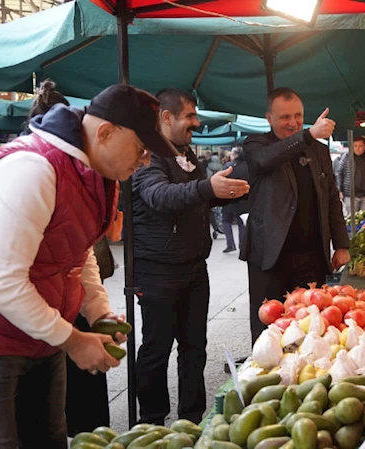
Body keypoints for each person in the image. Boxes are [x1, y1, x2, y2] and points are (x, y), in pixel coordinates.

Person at [0, 84, 172, 447]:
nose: (145, 161)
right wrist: (72, 339)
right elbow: (0, 281)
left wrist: (97, 311)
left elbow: (78, 250)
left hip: (42, 340)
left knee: (51, 439)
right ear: (105, 133)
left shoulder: (93, 172)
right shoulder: (34, 169)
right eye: (141, 148)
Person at [131, 88, 249, 425]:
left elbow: (196, 198)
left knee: (194, 348)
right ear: (166, 117)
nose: (196, 123)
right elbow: (160, 196)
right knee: (156, 349)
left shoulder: (186, 154)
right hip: (158, 272)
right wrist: (207, 187)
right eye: (190, 116)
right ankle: (152, 422)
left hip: (194, 268)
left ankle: (192, 419)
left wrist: (227, 193)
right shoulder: (147, 156)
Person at [242, 88, 350, 347]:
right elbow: (264, 161)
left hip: (311, 255)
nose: (293, 122)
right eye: (285, 117)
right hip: (270, 256)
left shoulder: (319, 151)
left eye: (298, 116)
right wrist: (308, 135)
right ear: (269, 118)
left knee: (312, 328)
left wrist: (342, 245)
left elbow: (331, 199)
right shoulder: (256, 145)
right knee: (269, 330)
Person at [335, 136, 365, 214]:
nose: (357, 148)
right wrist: (339, 189)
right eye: (355, 146)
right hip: (350, 195)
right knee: (351, 218)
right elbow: (339, 174)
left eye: (360, 146)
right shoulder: (346, 157)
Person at [221, 147, 250, 253]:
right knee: (242, 221)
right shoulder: (247, 166)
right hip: (244, 197)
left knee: (226, 221)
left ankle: (230, 244)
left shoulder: (228, 166)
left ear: (234, 155)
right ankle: (242, 245)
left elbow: (222, 181)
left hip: (229, 197)